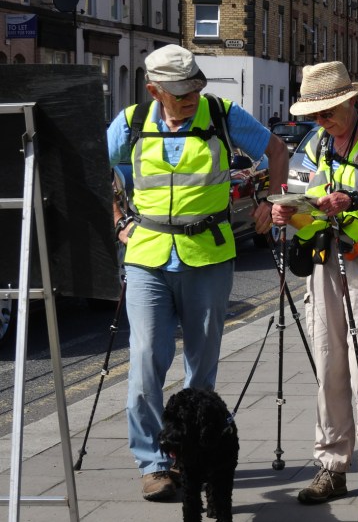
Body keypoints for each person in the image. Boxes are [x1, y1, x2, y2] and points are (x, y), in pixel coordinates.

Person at [106, 44, 288, 501]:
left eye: (195, 88)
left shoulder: (223, 115)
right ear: (154, 90)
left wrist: (270, 200)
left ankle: (192, 455)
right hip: (148, 254)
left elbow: (277, 151)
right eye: (180, 92)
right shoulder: (130, 124)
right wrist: (118, 219)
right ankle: (152, 463)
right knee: (147, 358)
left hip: (208, 254)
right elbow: (96, 171)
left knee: (201, 369)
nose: (191, 98)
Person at [271, 61, 358, 510]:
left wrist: (356, 201)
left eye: (328, 111)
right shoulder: (313, 144)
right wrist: (286, 213)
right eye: (315, 113)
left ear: (351, 101)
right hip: (323, 265)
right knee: (329, 367)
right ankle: (331, 467)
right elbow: (300, 206)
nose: (321, 120)